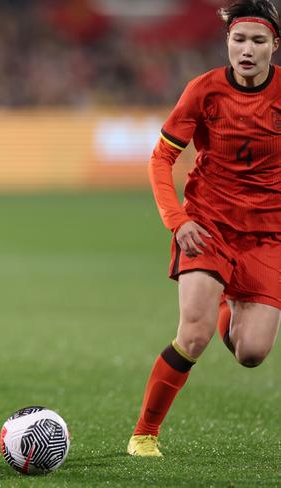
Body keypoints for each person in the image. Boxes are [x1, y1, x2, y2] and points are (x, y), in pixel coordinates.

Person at [127, 0, 281, 457]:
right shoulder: (204, 90)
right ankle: (145, 433)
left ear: (275, 44)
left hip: (267, 235)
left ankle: (227, 302)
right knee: (194, 334)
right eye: (239, 40)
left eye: (258, 40)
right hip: (207, 225)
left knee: (252, 352)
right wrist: (178, 220)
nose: (247, 50)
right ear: (227, 43)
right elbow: (161, 158)